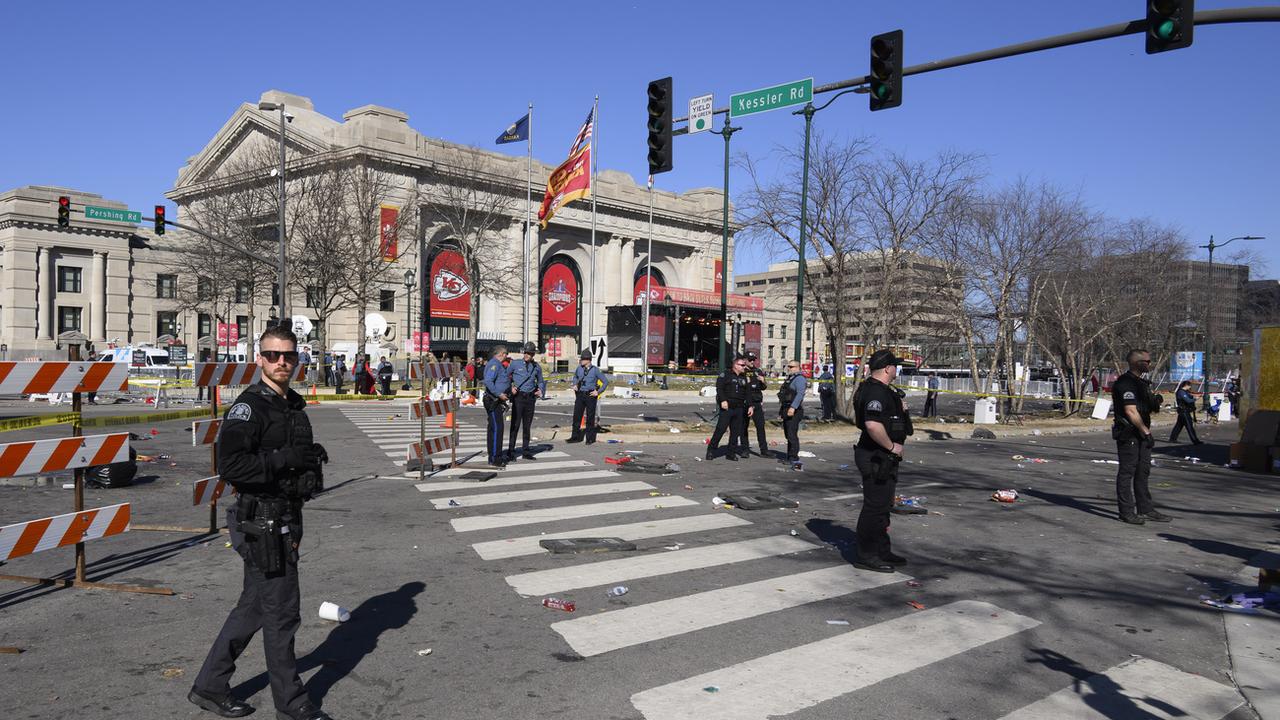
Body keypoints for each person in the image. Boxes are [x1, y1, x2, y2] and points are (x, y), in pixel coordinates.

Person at [190, 326, 333, 720]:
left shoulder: (292, 405)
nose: (281, 362)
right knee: (282, 613)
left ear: (297, 359)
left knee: (254, 608)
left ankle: (209, 685)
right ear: (260, 359)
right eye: (273, 355)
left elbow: (293, 458)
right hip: (262, 521)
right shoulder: (249, 408)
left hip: (285, 516)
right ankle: (292, 704)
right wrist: (282, 460)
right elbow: (231, 465)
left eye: (288, 355)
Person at [852, 349, 914, 573]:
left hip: (883, 457)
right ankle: (867, 555)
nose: (897, 369)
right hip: (875, 455)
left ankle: (881, 550)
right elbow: (872, 425)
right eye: (895, 365)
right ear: (888, 368)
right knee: (874, 507)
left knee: (883, 506)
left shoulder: (882, 391)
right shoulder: (875, 392)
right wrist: (891, 446)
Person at [1111, 348, 1171, 525]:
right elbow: (1130, 411)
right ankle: (1126, 511)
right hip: (1129, 433)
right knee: (1127, 472)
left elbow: (1145, 407)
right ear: (1138, 363)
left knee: (1143, 471)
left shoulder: (1141, 383)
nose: (1150, 364)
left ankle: (1145, 508)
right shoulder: (1125, 383)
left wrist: (1154, 401)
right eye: (1147, 361)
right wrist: (1146, 432)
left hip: (1141, 432)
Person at [707, 355, 750, 461]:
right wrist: (723, 400)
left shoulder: (744, 377)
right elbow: (719, 388)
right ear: (735, 365)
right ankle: (711, 451)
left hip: (739, 407)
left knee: (735, 432)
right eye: (742, 365)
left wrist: (750, 406)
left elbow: (747, 393)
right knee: (720, 429)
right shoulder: (725, 375)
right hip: (727, 407)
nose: (744, 367)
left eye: (744, 365)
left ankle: (731, 453)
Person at [507, 343, 545, 461]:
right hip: (519, 397)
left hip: (530, 398)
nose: (527, 355)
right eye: (526, 352)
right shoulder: (515, 364)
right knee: (515, 425)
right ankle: (511, 451)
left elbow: (541, 381)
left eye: (529, 353)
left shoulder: (536, 366)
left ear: (533, 354)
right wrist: (510, 387)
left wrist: (541, 390)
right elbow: (505, 376)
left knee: (527, 426)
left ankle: (525, 451)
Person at [567, 350, 607, 444]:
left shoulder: (595, 370)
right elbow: (575, 377)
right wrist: (575, 384)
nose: (581, 360)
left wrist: (598, 392)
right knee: (577, 416)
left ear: (588, 360)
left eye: (582, 359)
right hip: (580, 394)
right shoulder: (579, 368)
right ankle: (575, 437)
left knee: (590, 418)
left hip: (590, 395)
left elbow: (605, 382)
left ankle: (590, 438)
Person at [482, 346, 512, 467]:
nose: (506, 356)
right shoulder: (494, 364)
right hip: (493, 400)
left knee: (494, 429)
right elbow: (488, 381)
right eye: (505, 354)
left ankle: (493, 456)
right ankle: (495, 458)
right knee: (497, 429)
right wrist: (499, 394)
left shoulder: (498, 365)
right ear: (501, 354)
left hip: (496, 400)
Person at [779, 360, 807, 466]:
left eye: (791, 367)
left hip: (794, 410)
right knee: (788, 434)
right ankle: (789, 456)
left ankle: (793, 457)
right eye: (788, 366)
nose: (789, 368)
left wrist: (793, 408)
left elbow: (800, 394)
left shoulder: (799, 378)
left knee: (791, 434)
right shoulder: (791, 378)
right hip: (787, 408)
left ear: (797, 367)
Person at [743, 352, 769, 457]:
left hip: (757, 402)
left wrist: (763, 381)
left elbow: (763, 387)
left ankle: (764, 450)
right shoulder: (742, 371)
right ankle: (745, 449)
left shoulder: (758, 371)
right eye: (750, 360)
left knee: (760, 427)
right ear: (745, 360)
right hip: (745, 403)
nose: (752, 361)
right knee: (743, 427)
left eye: (753, 359)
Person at [1168, 380, 1203, 445]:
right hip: (1184, 411)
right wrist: (1195, 399)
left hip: (1183, 411)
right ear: (1186, 385)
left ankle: (1172, 438)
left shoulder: (1184, 392)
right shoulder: (1181, 392)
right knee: (1189, 426)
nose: (1190, 387)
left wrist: (1194, 397)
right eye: (1189, 386)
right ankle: (1195, 440)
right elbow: (1188, 400)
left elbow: (1188, 397)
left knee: (1178, 426)